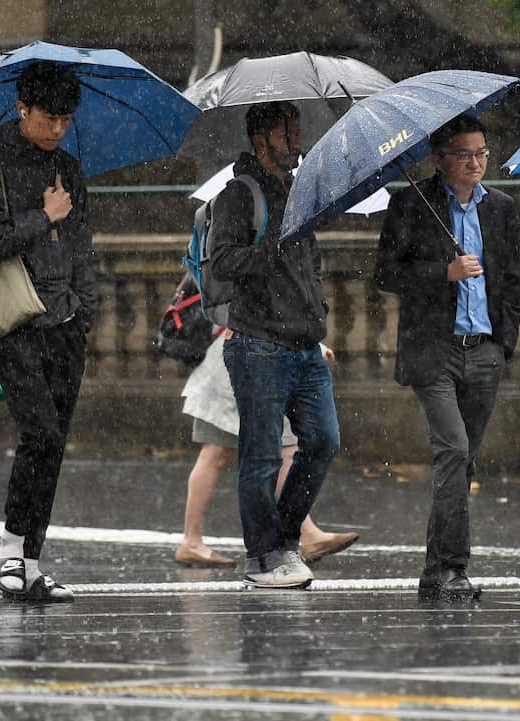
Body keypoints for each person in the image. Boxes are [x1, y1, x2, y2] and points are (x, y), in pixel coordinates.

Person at [0, 61, 96, 603]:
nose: (58, 128)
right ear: (22, 108)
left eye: (66, 118)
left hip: (65, 322)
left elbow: (83, 241)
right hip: (13, 322)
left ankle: (30, 562)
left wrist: (87, 308)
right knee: (39, 433)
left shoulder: (69, 167)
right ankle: (10, 546)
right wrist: (44, 215)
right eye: (48, 118)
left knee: (54, 444)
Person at [375, 114, 520, 601]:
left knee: (463, 463)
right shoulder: (411, 205)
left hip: (484, 352)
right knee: (454, 452)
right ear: (439, 161)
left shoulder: (501, 209)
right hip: (434, 352)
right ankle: (455, 568)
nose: (477, 162)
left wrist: (504, 345)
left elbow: (512, 282)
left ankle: (434, 570)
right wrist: (444, 272)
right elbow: (385, 274)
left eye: (483, 153)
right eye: (465, 154)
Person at [207, 101, 341, 589]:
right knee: (261, 454)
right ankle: (262, 555)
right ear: (261, 141)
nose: (297, 143)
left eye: (297, 133)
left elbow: (311, 265)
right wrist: (272, 250)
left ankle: (284, 538)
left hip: (304, 345)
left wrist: (316, 311)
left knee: (324, 440)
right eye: (287, 135)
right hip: (258, 345)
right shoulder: (238, 197)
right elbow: (221, 262)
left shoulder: (298, 192)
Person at [175, 333, 358, 567]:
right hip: (237, 366)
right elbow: (262, 310)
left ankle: (307, 533)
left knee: (285, 448)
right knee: (216, 452)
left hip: (261, 359)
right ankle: (191, 540)